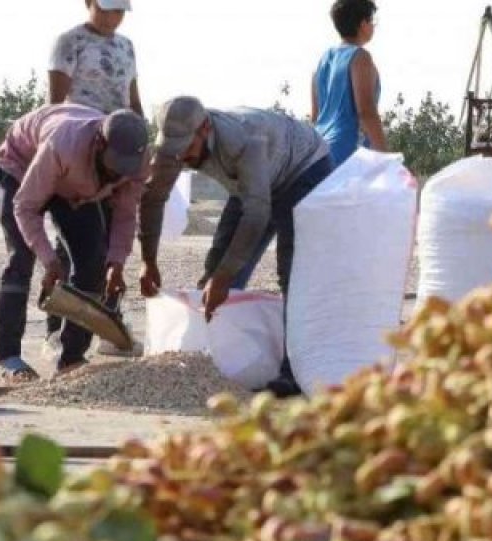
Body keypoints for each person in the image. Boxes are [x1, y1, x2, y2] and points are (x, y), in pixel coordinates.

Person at [137, 97, 333, 397]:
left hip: (302, 167)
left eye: (186, 146)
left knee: (292, 272)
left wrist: (225, 276)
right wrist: (148, 260)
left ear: (204, 129)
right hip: (251, 183)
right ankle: (213, 358)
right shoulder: (173, 149)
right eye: (174, 147)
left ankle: (294, 373)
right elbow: (153, 198)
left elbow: (257, 214)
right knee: (215, 269)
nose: (181, 156)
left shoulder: (244, 141)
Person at [0, 103, 148, 383]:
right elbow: (26, 207)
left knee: (93, 263)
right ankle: (7, 357)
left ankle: (71, 358)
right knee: (21, 258)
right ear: (99, 143)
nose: (116, 176)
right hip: (23, 166)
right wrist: (49, 259)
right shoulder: (63, 144)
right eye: (113, 166)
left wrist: (116, 263)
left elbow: (125, 214)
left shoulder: (138, 161)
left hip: (76, 187)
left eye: (123, 170)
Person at [42, 0, 144, 357]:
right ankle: (59, 331)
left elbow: (132, 100)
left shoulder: (126, 46)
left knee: (111, 238)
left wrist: (141, 143)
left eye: (120, 11)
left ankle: (105, 321)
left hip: (118, 153)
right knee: (76, 242)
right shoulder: (70, 42)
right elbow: (54, 105)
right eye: (107, 9)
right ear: (89, 3)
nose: (114, 17)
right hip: (80, 151)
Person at [312, 0, 388, 167]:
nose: (374, 26)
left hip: (318, 151)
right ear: (363, 24)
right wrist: (386, 159)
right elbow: (366, 111)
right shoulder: (360, 57)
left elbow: (316, 116)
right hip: (347, 152)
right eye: (372, 21)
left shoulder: (323, 61)